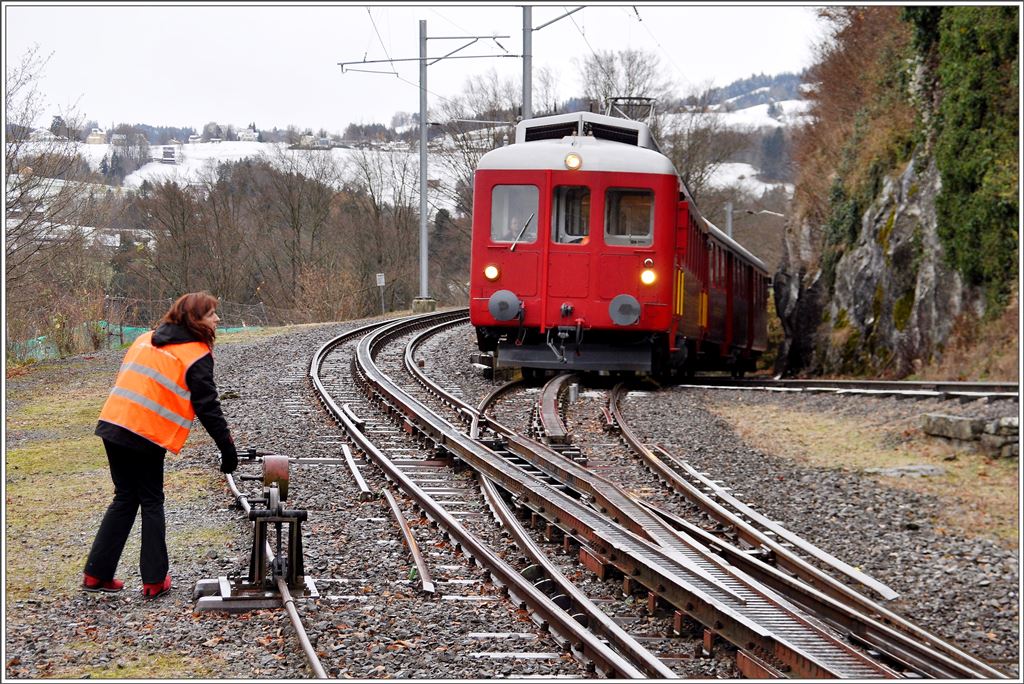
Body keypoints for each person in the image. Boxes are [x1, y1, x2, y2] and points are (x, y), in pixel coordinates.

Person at [82, 292, 239, 599]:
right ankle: (154, 580)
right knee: (151, 500)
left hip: (113, 424)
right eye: (211, 314)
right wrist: (227, 447)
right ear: (195, 319)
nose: (217, 319)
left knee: (125, 497)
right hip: (145, 433)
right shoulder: (195, 353)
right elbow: (207, 406)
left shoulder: (145, 339)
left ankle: (96, 574)